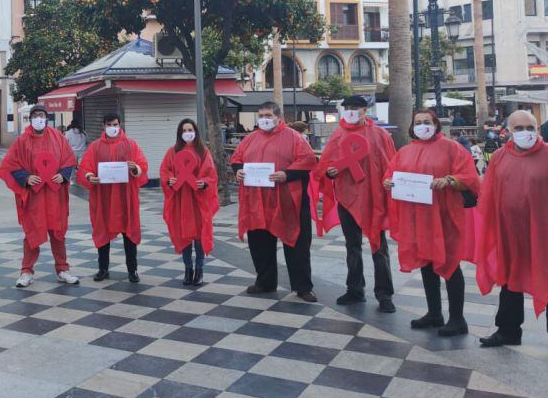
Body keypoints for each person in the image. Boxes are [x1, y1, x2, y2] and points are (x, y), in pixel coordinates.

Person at [474, 110, 548, 368]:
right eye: (518, 128)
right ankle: (508, 330)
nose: (525, 132)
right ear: (508, 130)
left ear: (538, 128)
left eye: (530, 127)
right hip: (511, 233)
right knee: (509, 282)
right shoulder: (499, 157)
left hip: (547, 236)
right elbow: (489, 192)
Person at [384, 110, 479, 336]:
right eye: (418, 122)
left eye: (427, 122)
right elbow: (392, 174)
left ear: (436, 124)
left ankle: (457, 318)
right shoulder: (405, 151)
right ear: (412, 126)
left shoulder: (452, 148)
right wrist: (388, 182)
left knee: (450, 265)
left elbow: (470, 177)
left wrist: (449, 180)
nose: (422, 126)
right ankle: (434, 313)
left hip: (445, 216)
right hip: (418, 218)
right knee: (427, 263)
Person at [313, 95, 397, 312]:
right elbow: (326, 165)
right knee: (352, 246)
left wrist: (389, 184)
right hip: (347, 198)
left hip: (373, 197)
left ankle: (384, 294)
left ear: (364, 110)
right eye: (347, 107)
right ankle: (355, 289)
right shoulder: (338, 135)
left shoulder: (379, 134)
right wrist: (331, 173)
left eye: (355, 108)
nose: (351, 111)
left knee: (379, 247)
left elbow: (391, 164)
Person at [231, 103, 318, 301]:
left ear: (278, 117)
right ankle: (265, 282)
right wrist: (238, 170)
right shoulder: (250, 139)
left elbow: (308, 161)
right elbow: (237, 159)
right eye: (260, 115)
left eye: (268, 115)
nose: (264, 118)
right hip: (258, 201)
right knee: (260, 244)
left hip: (288, 201)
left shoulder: (294, 137)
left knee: (297, 243)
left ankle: (303, 286)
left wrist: (286, 174)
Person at [0, 105, 79, 288]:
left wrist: (64, 174)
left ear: (46, 117)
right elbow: (10, 164)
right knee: (32, 232)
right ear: (30, 118)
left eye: (41, 115)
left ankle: (62, 268)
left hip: (54, 195)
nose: (38, 118)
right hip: (34, 196)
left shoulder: (58, 137)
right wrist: (25, 177)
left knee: (58, 233)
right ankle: (26, 271)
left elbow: (68, 158)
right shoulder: (22, 141)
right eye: (35, 115)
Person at [77, 114, 148, 282]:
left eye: (115, 124)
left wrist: (135, 168)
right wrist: (89, 176)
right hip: (104, 198)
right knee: (102, 231)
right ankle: (103, 269)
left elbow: (142, 165)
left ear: (120, 124)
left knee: (129, 234)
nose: (112, 127)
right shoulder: (95, 147)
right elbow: (85, 167)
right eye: (109, 124)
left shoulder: (131, 145)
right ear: (104, 126)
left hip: (126, 198)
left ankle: (133, 270)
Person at [160, 119, 219, 286]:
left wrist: (205, 183)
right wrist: (169, 181)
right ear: (180, 133)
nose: (187, 133)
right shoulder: (172, 152)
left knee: (200, 237)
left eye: (190, 129)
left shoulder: (203, 151)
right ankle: (188, 269)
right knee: (184, 235)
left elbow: (211, 174)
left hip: (198, 200)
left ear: (196, 131)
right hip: (180, 200)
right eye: (184, 130)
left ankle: (199, 270)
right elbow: (165, 171)